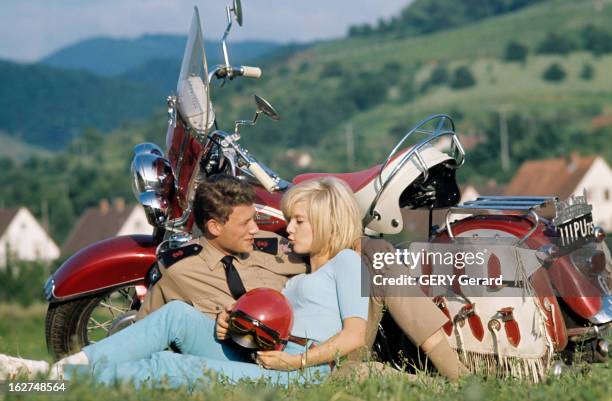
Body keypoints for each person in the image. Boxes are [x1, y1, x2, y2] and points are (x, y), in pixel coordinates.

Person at [0, 177, 369, 388]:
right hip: (268, 350)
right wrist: (232, 322)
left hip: (303, 373)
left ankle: (50, 383)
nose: (288, 228)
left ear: (327, 222)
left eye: (300, 222)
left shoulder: (348, 262)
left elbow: (354, 335)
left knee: (170, 367)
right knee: (175, 314)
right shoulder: (304, 265)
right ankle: (55, 370)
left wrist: (296, 363)